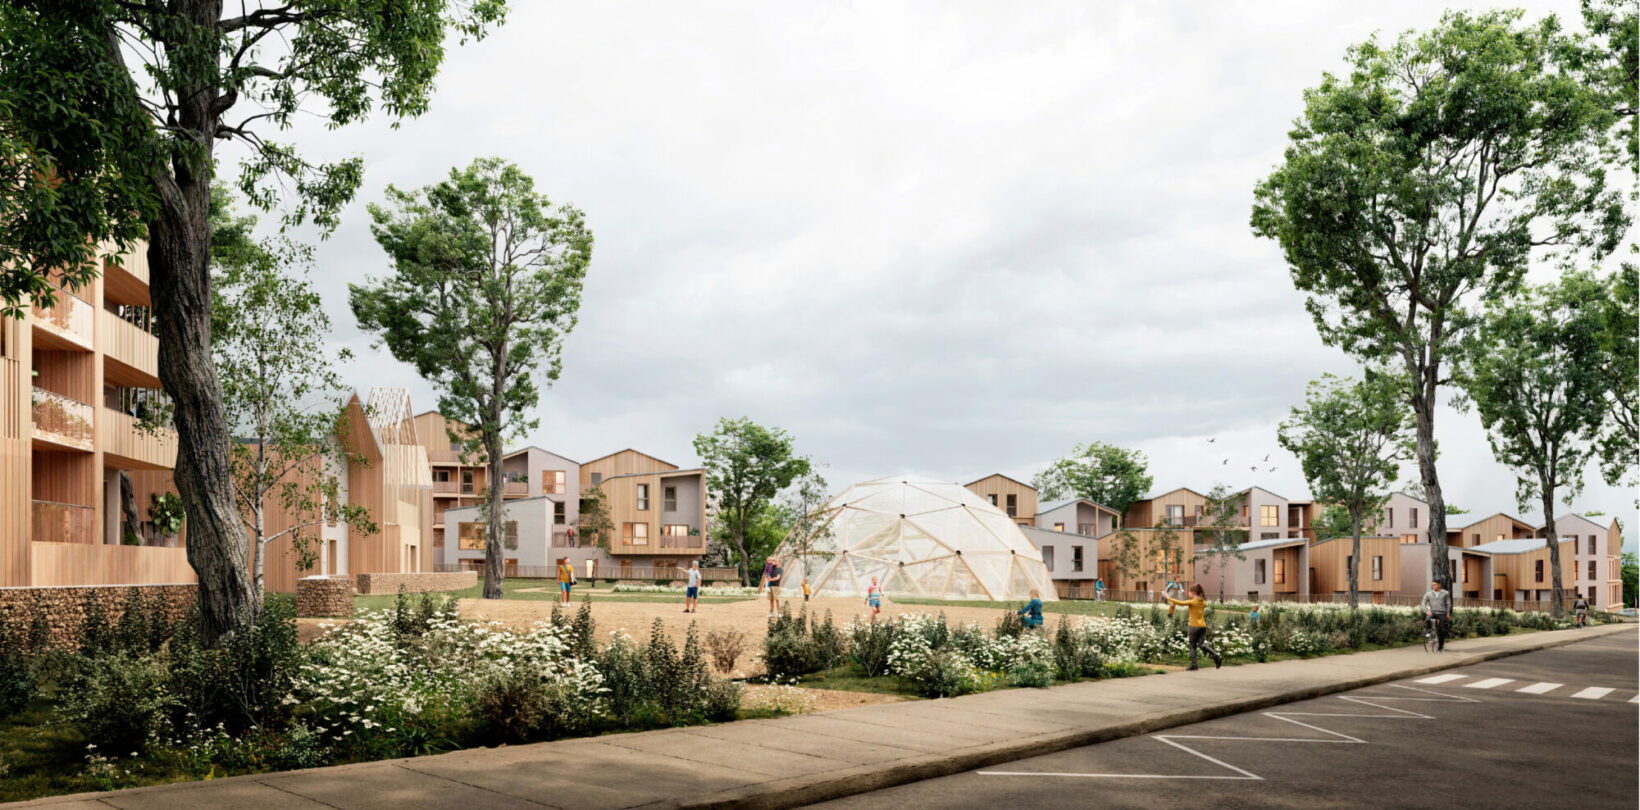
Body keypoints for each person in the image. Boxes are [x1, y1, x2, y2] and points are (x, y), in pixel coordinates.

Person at [1166, 583, 1222, 670]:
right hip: (1202, 626)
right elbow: (1201, 603)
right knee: (1201, 644)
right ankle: (1216, 655)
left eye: (1189, 592)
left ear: (1193, 592)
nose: (1188, 593)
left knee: (1192, 646)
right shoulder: (1202, 602)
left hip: (1194, 627)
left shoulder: (1192, 602)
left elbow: (1180, 603)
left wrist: (1168, 598)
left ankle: (1194, 665)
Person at [1421, 579, 1452, 652]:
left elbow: (1448, 604)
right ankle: (1428, 632)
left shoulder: (1445, 593)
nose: (1433, 586)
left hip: (1442, 613)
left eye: (1434, 585)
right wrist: (1427, 611)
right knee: (1428, 618)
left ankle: (1441, 647)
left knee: (1442, 629)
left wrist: (1448, 614)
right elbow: (1423, 603)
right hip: (1433, 612)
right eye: (1432, 585)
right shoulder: (1428, 594)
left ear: (1439, 585)